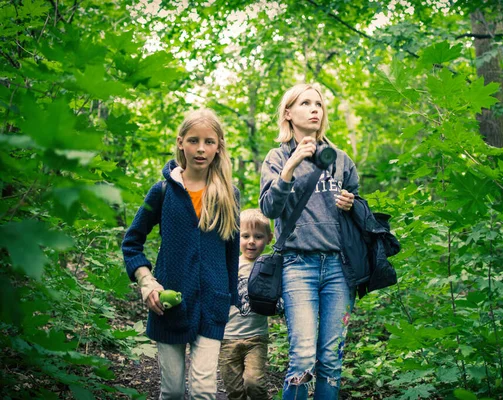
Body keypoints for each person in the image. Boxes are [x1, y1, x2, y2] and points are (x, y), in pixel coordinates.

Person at [121, 109, 240, 400]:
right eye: (194, 140)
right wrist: (146, 281)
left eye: (209, 142)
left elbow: (232, 256)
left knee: (202, 390)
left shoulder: (229, 194)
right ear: (181, 143)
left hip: (213, 304)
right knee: (172, 391)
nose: (201, 149)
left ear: (219, 146)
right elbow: (132, 242)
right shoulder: (162, 191)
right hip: (169, 306)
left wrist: (231, 300)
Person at [259, 83, 360, 399]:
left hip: (339, 269)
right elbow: (268, 208)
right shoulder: (277, 157)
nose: (315, 108)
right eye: (305, 103)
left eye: (319, 104)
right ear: (288, 113)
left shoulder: (340, 159)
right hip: (297, 265)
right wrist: (291, 166)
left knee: (331, 360)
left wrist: (352, 204)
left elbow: (360, 207)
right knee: (302, 356)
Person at [219, 208, 273, 400]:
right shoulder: (230, 264)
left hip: (256, 338)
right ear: (236, 237)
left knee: (254, 383)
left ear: (269, 238)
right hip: (228, 337)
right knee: (234, 391)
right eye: (245, 236)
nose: (251, 241)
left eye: (258, 236)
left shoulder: (269, 266)